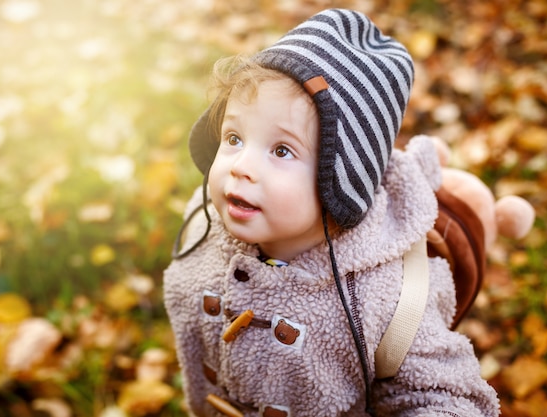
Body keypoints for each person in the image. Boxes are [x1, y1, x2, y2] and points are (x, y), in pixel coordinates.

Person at [164, 8, 500, 417]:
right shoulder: (204, 228)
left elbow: (443, 397)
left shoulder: (381, 296)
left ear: (341, 181)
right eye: (234, 137)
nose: (240, 165)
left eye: (282, 150)